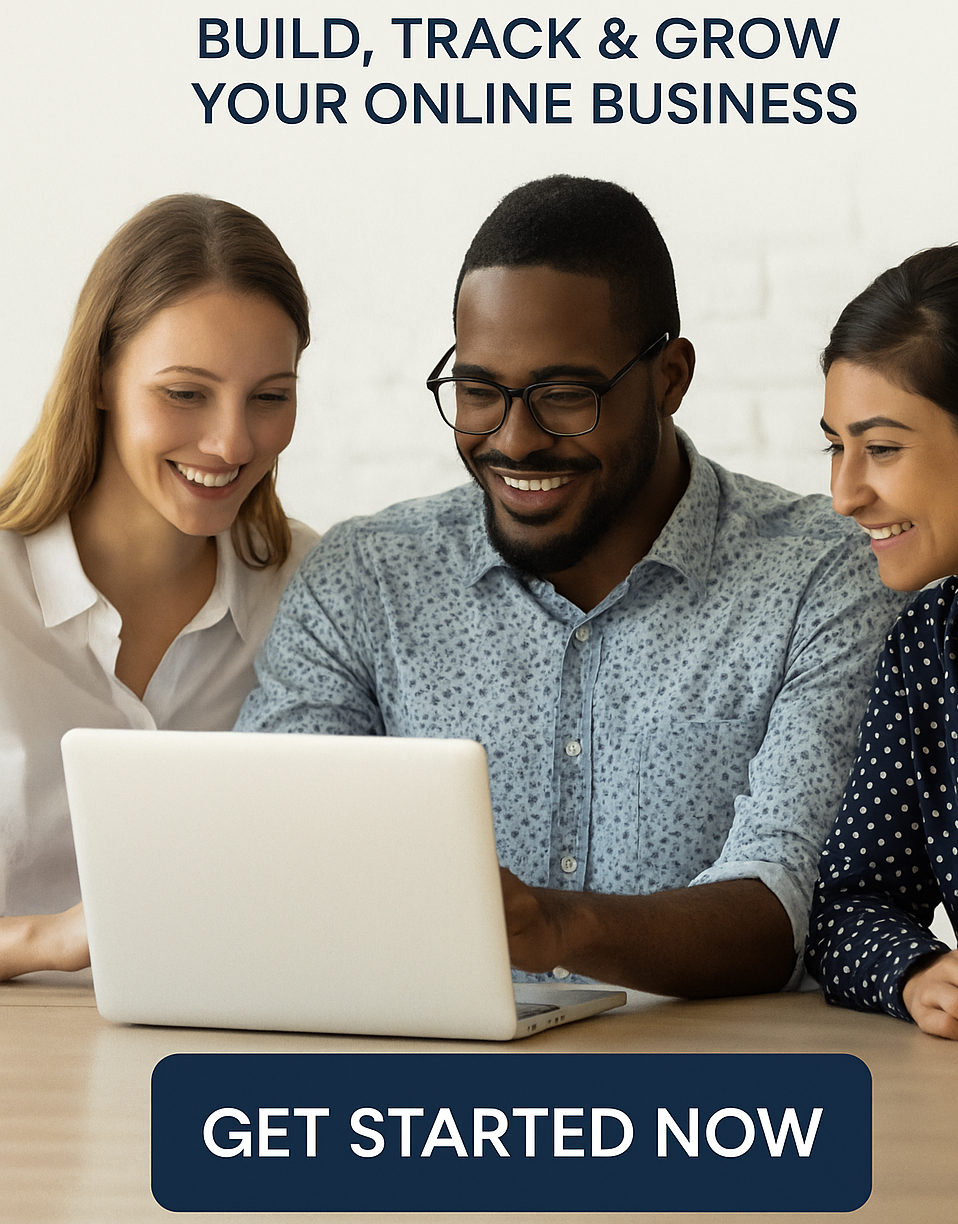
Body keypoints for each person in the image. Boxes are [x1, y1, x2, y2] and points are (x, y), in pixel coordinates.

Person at [239, 174, 897, 998]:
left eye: (564, 396)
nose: (515, 440)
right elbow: (276, 860)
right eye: (479, 391)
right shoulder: (366, 578)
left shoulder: (822, 576)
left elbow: (785, 913)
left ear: (670, 377)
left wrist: (553, 929)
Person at [0, 194, 317, 979]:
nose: (232, 441)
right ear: (101, 376)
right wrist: (42, 941)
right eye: (185, 393)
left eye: (270, 397)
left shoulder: (316, 597)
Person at [807, 243, 958, 1040]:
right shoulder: (931, 650)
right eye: (837, 446)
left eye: (883, 448)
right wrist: (922, 973)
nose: (844, 494)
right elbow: (847, 907)